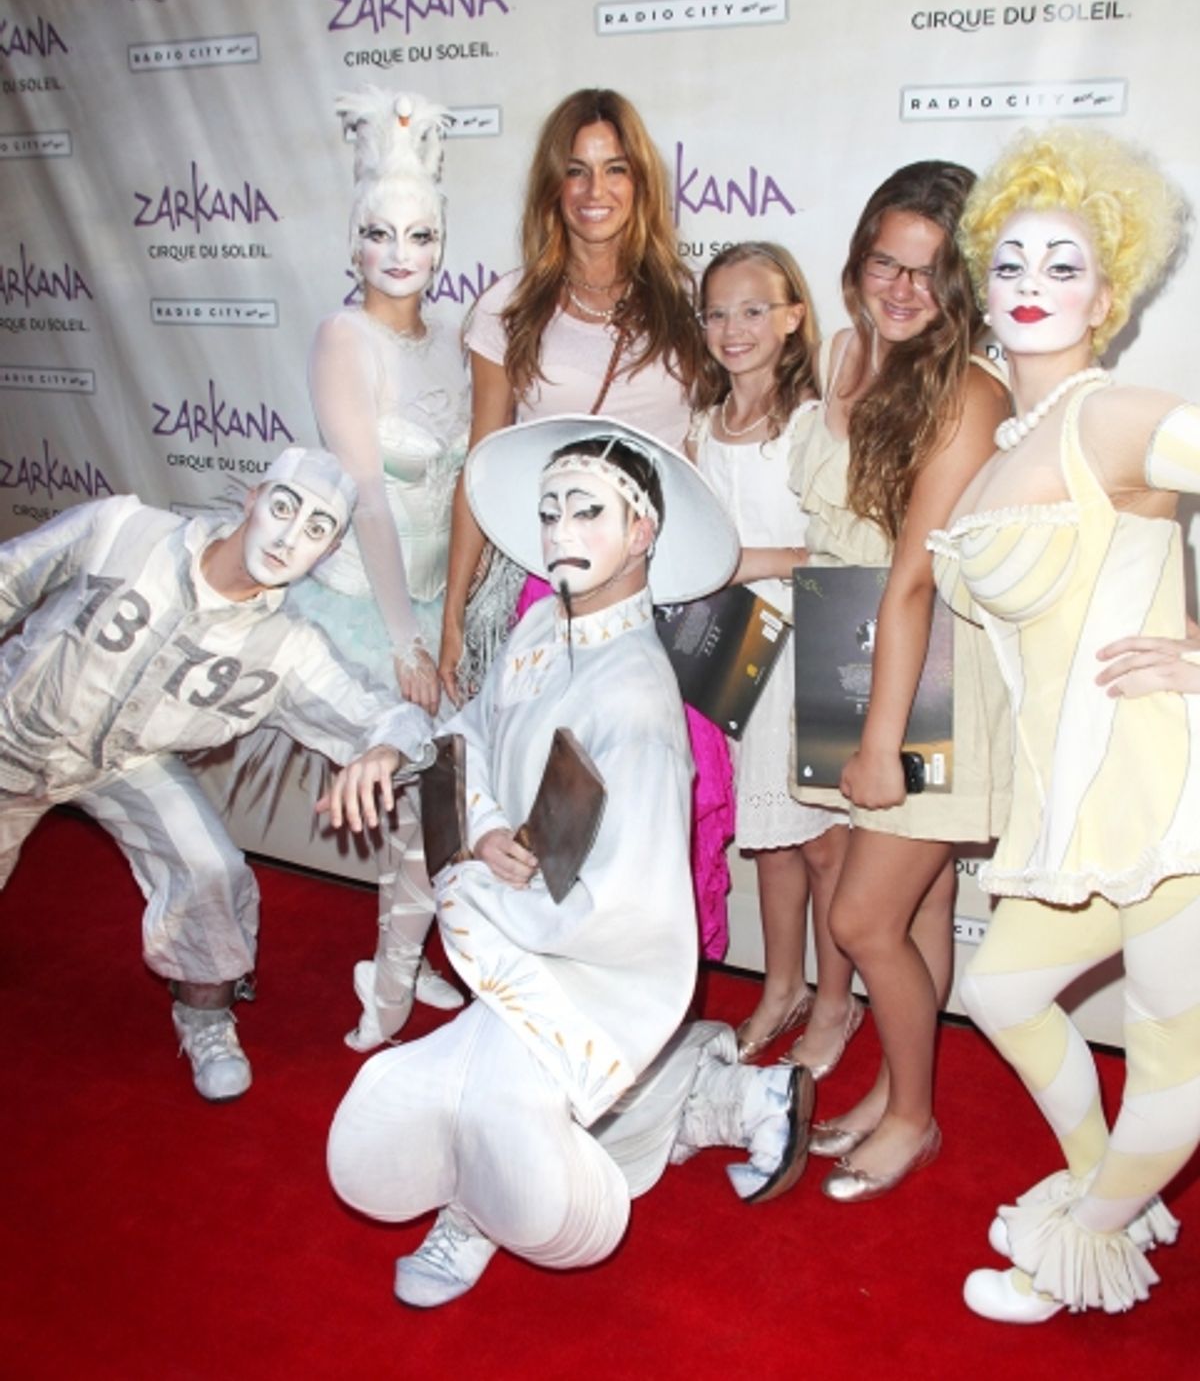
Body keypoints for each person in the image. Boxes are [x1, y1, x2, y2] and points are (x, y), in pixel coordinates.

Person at [325, 417, 814, 1308]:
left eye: (588, 511)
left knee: (513, 1110)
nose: (559, 533)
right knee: (543, 1094)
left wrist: (490, 899)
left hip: (585, 948)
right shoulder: (543, 625)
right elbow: (470, 732)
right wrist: (476, 835)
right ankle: (729, 1092)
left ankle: (479, 1207)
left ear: (642, 533)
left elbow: (622, 894)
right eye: (550, 511)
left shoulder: (636, 692)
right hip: (519, 913)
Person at [929, 126, 1193, 1321]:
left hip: (1167, 791)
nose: (1034, 288)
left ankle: (1074, 1246)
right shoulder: (1005, 442)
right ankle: (1111, 1190)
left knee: (1174, 1052)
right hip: (1063, 801)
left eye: (1065, 266)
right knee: (998, 992)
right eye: (1013, 264)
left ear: (1112, 289)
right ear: (983, 284)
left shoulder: (1118, 417)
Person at [0, 448, 434, 1100]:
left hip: (124, 763)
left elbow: (393, 719)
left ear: (331, 551)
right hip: (13, 728)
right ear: (253, 498)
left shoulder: (288, 648)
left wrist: (384, 752)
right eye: (285, 508)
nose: (291, 538)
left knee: (211, 870)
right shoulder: (124, 529)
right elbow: (9, 576)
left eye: (318, 529)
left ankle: (204, 1014)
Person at [436, 87, 736, 960]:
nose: (595, 190)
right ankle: (541, 976)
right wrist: (455, 614)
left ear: (640, 184)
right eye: (575, 171)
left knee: (666, 802)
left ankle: (655, 981)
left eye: (614, 169)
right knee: (544, 796)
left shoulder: (688, 304)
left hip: (664, 586)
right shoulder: (508, 307)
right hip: (547, 587)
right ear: (551, 189)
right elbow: (481, 466)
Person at [787, 162, 1011, 1195]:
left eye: (931, 272)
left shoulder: (971, 390)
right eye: (886, 260)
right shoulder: (850, 355)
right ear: (859, 258)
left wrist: (881, 743)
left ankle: (915, 1115)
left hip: (930, 679)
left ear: (965, 284)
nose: (903, 288)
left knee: (861, 920)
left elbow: (916, 575)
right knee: (915, 916)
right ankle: (895, 1086)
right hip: (855, 646)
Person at [289, 87, 486, 1049]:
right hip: (365, 613)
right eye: (380, 233)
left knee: (433, 800)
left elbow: (466, 490)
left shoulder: (457, 339)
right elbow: (367, 493)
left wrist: (453, 623)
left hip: (443, 608)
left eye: (420, 235)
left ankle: (403, 962)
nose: (400, 254)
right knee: (408, 803)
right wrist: (408, 642)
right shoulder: (342, 338)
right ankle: (394, 986)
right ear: (353, 241)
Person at [687, 242, 848, 1063]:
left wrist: (753, 561)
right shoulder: (703, 426)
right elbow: (687, 545)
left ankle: (833, 1002)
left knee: (823, 844)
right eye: (717, 311)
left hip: (809, 644)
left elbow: (829, 553)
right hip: (735, 646)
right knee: (771, 838)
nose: (733, 327)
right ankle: (781, 987)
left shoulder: (816, 422)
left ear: (792, 318)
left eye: (754, 309)